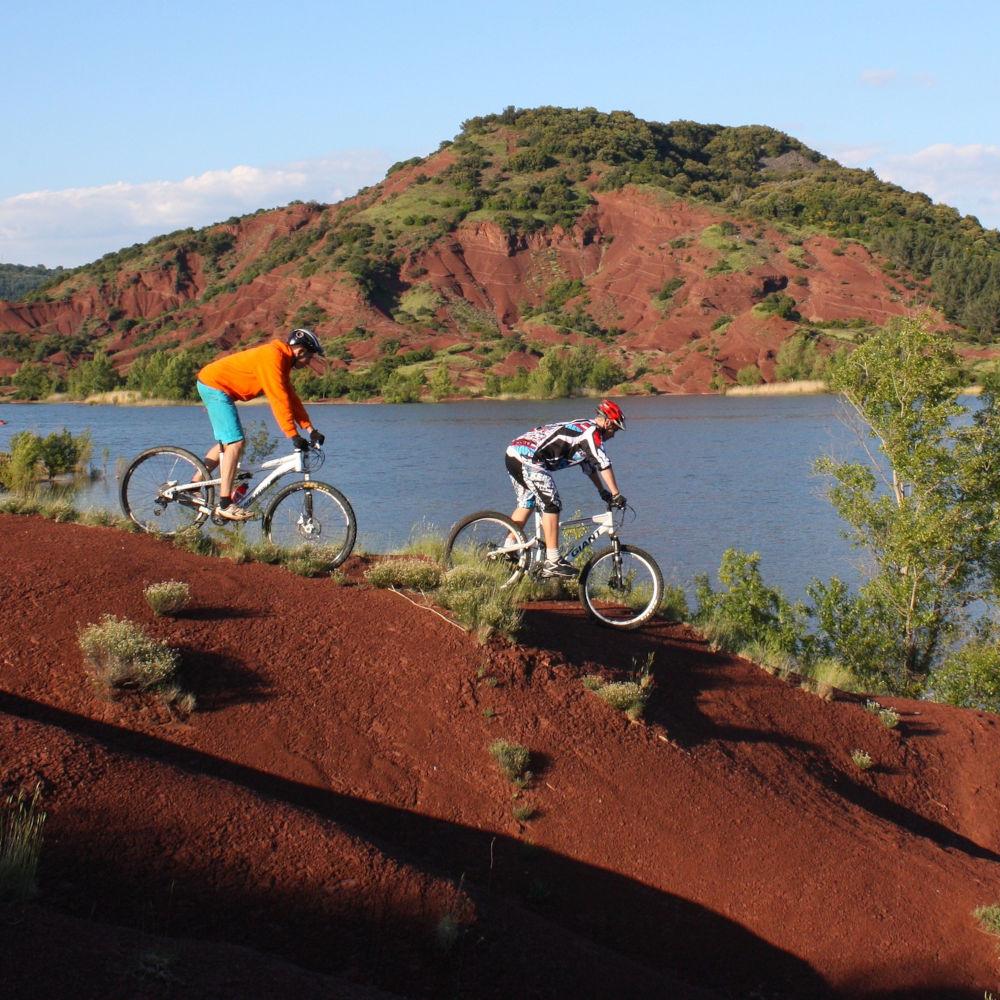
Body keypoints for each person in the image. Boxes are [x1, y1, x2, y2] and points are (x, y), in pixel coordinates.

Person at [195, 328, 325, 521]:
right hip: (214, 385)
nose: (308, 363)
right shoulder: (273, 358)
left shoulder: (282, 362)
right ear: (300, 352)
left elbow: (291, 399)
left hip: (218, 386)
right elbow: (278, 398)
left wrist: (310, 429)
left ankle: (195, 485)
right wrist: (293, 435)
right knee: (236, 442)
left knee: (229, 441)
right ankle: (224, 504)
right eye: (310, 357)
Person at [506, 399, 627, 578]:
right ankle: (552, 561)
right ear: (608, 422)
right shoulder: (591, 433)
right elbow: (603, 464)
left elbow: (590, 467)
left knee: (527, 502)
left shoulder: (584, 427)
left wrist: (603, 492)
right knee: (552, 504)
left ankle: (508, 548)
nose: (614, 434)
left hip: (514, 453)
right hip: (529, 458)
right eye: (615, 429)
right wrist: (617, 494)